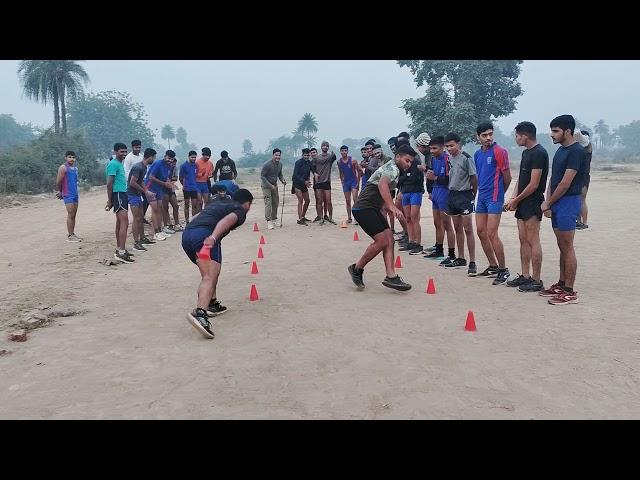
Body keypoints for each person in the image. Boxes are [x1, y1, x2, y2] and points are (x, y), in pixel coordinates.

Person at [183, 189, 254, 339]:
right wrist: (213, 237)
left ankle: (212, 303)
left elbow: (197, 216)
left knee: (210, 273)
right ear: (247, 203)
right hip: (204, 235)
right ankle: (200, 313)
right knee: (209, 276)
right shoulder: (240, 210)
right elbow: (226, 221)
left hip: (188, 234)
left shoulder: (220, 203)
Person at [348, 144, 416, 291]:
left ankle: (391, 277)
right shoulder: (392, 168)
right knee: (382, 240)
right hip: (363, 208)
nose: (408, 164)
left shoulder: (394, 168)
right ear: (397, 157)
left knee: (389, 239)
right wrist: (391, 206)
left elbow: (381, 191)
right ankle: (357, 268)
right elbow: (382, 184)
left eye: (411, 162)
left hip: (372, 208)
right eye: (407, 160)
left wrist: (386, 206)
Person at [539, 115, 586, 305]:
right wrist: (549, 201)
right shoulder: (560, 152)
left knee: (568, 246)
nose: (552, 135)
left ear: (568, 131)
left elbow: (566, 183)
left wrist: (548, 202)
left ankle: (569, 291)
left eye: (556, 131)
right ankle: (561, 283)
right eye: (552, 130)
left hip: (568, 202)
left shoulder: (577, 152)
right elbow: (554, 179)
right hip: (557, 202)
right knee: (561, 247)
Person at [504, 122, 549, 292]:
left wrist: (517, 200)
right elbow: (521, 180)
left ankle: (536, 279)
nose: (516, 139)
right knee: (523, 240)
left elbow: (534, 184)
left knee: (533, 240)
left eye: (517, 136)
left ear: (525, 135)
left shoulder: (539, 153)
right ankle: (524, 275)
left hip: (532, 202)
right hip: (522, 202)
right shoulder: (526, 153)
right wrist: (513, 198)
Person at [474, 122, 512, 284]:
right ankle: (493, 266)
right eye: (484, 135)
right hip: (481, 197)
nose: (488, 137)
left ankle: (504, 270)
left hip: (495, 197)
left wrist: (500, 195)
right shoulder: (477, 154)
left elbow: (507, 177)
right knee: (481, 232)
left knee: (492, 233)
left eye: (490, 134)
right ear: (478, 137)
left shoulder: (500, 152)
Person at [443, 133, 478, 275]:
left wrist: (472, 196)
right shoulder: (449, 158)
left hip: (465, 195)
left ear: (458, 144)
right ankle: (461, 257)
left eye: (452, 145)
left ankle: (472, 261)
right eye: (447, 146)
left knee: (468, 229)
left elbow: (474, 178)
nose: (449, 148)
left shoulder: (467, 158)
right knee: (457, 227)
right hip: (452, 195)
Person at [424, 136, 456, 265]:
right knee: (437, 223)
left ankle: (452, 254)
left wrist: (434, 177)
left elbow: (449, 179)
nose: (432, 151)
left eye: (434, 148)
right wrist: (431, 190)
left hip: (444, 192)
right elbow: (431, 176)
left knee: (447, 225)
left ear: (442, 148)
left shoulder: (447, 159)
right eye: (430, 148)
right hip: (436, 192)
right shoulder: (432, 159)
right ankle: (438, 249)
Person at [105, 143, 133, 263]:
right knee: (124, 223)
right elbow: (109, 184)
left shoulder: (119, 164)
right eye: (121, 152)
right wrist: (110, 200)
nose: (124, 154)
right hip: (118, 194)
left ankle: (120, 249)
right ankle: (121, 252)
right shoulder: (113, 164)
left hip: (122, 193)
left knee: (120, 223)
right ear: (115, 151)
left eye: (125, 152)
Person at [398, 138, 425, 255]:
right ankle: (411, 241)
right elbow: (399, 180)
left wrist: (407, 176)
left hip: (416, 191)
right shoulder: (400, 164)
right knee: (407, 217)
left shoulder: (416, 161)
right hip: (405, 192)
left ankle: (418, 244)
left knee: (414, 217)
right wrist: (407, 176)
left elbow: (415, 178)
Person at [128, 148, 158, 251]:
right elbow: (132, 182)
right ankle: (136, 243)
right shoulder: (138, 167)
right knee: (136, 219)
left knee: (140, 218)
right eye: (154, 157)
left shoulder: (144, 167)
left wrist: (146, 191)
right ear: (150, 157)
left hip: (138, 194)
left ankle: (142, 238)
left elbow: (140, 181)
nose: (154, 159)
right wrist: (145, 191)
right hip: (132, 195)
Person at [147, 150, 176, 238]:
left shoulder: (169, 166)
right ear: (165, 156)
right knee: (155, 209)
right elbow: (151, 177)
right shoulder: (158, 164)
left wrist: (169, 183)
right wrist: (164, 184)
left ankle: (160, 229)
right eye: (168, 158)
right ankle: (155, 232)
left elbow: (166, 177)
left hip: (159, 188)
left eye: (172, 159)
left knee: (160, 209)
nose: (170, 160)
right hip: (151, 187)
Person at [55, 151, 82, 242]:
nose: (72, 159)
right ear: (66, 158)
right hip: (67, 194)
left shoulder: (75, 169)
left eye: (73, 157)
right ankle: (70, 236)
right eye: (69, 157)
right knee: (70, 214)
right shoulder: (63, 168)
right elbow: (58, 181)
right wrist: (60, 191)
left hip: (75, 194)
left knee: (74, 214)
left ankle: (73, 233)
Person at [311, 140, 337, 225]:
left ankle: (330, 218)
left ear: (328, 147)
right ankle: (321, 218)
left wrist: (333, 154)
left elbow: (334, 157)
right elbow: (312, 166)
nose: (325, 147)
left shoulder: (330, 157)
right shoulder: (316, 157)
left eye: (327, 146)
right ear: (321, 147)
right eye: (324, 146)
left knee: (329, 201)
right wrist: (314, 173)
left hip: (327, 181)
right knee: (319, 201)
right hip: (318, 182)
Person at [260, 148, 286, 229]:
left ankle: (274, 218)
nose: (277, 157)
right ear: (273, 155)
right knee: (268, 203)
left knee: (275, 202)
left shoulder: (280, 164)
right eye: (276, 155)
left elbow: (280, 174)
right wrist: (270, 185)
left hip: (275, 185)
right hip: (266, 186)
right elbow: (262, 176)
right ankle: (269, 221)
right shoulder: (267, 164)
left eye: (279, 155)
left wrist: (283, 180)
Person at [337, 145, 360, 223]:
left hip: (353, 181)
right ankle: (349, 218)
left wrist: (358, 182)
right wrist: (342, 182)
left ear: (347, 151)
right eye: (342, 151)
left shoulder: (353, 160)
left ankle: (357, 218)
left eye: (345, 151)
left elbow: (359, 171)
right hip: (346, 182)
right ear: (340, 152)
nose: (344, 152)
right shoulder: (339, 162)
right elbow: (341, 172)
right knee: (347, 201)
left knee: (355, 199)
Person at [575, 130, 592, 230]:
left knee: (581, 200)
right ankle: (578, 221)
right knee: (577, 200)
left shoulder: (588, 147)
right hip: (578, 177)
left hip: (584, 176)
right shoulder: (577, 149)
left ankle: (584, 222)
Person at [292, 148, 313, 225]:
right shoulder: (298, 162)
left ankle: (303, 216)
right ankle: (300, 219)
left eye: (308, 155)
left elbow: (313, 170)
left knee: (307, 200)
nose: (306, 157)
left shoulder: (309, 163)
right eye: (305, 155)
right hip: (297, 183)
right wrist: (304, 181)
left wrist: (315, 174)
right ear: (302, 155)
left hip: (304, 184)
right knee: (300, 200)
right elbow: (295, 175)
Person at [163, 154, 183, 232]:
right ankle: (168, 224)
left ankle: (176, 224)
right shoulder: (164, 167)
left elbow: (175, 178)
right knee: (165, 207)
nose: (172, 164)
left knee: (175, 206)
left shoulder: (175, 168)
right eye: (171, 163)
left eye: (174, 163)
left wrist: (170, 181)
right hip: (164, 189)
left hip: (171, 189)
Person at [180, 150, 199, 223]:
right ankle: (187, 221)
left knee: (194, 205)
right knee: (187, 205)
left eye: (195, 157)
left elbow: (196, 176)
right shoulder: (183, 166)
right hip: (186, 189)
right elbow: (181, 178)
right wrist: (184, 185)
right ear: (189, 157)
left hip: (194, 188)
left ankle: (193, 221)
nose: (193, 159)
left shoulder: (196, 165)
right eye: (192, 157)